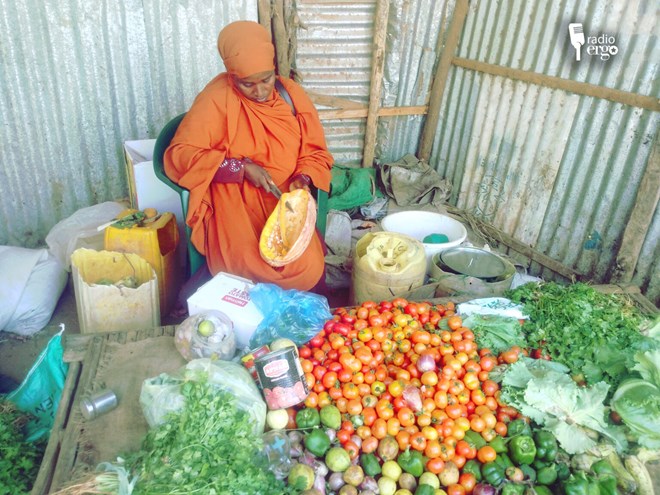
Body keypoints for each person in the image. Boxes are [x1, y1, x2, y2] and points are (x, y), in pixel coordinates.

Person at [164, 20, 333, 299]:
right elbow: (179, 156)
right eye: (247, 84)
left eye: (266, 79)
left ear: (274, 70)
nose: (260, 91)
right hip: (234, 198)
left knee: (306, 263)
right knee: (245, 264)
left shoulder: (291, 96)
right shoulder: (215, 99)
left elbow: (315, 151)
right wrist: (239, 168)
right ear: (232, 76)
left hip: (284, 198)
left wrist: (304, 178)